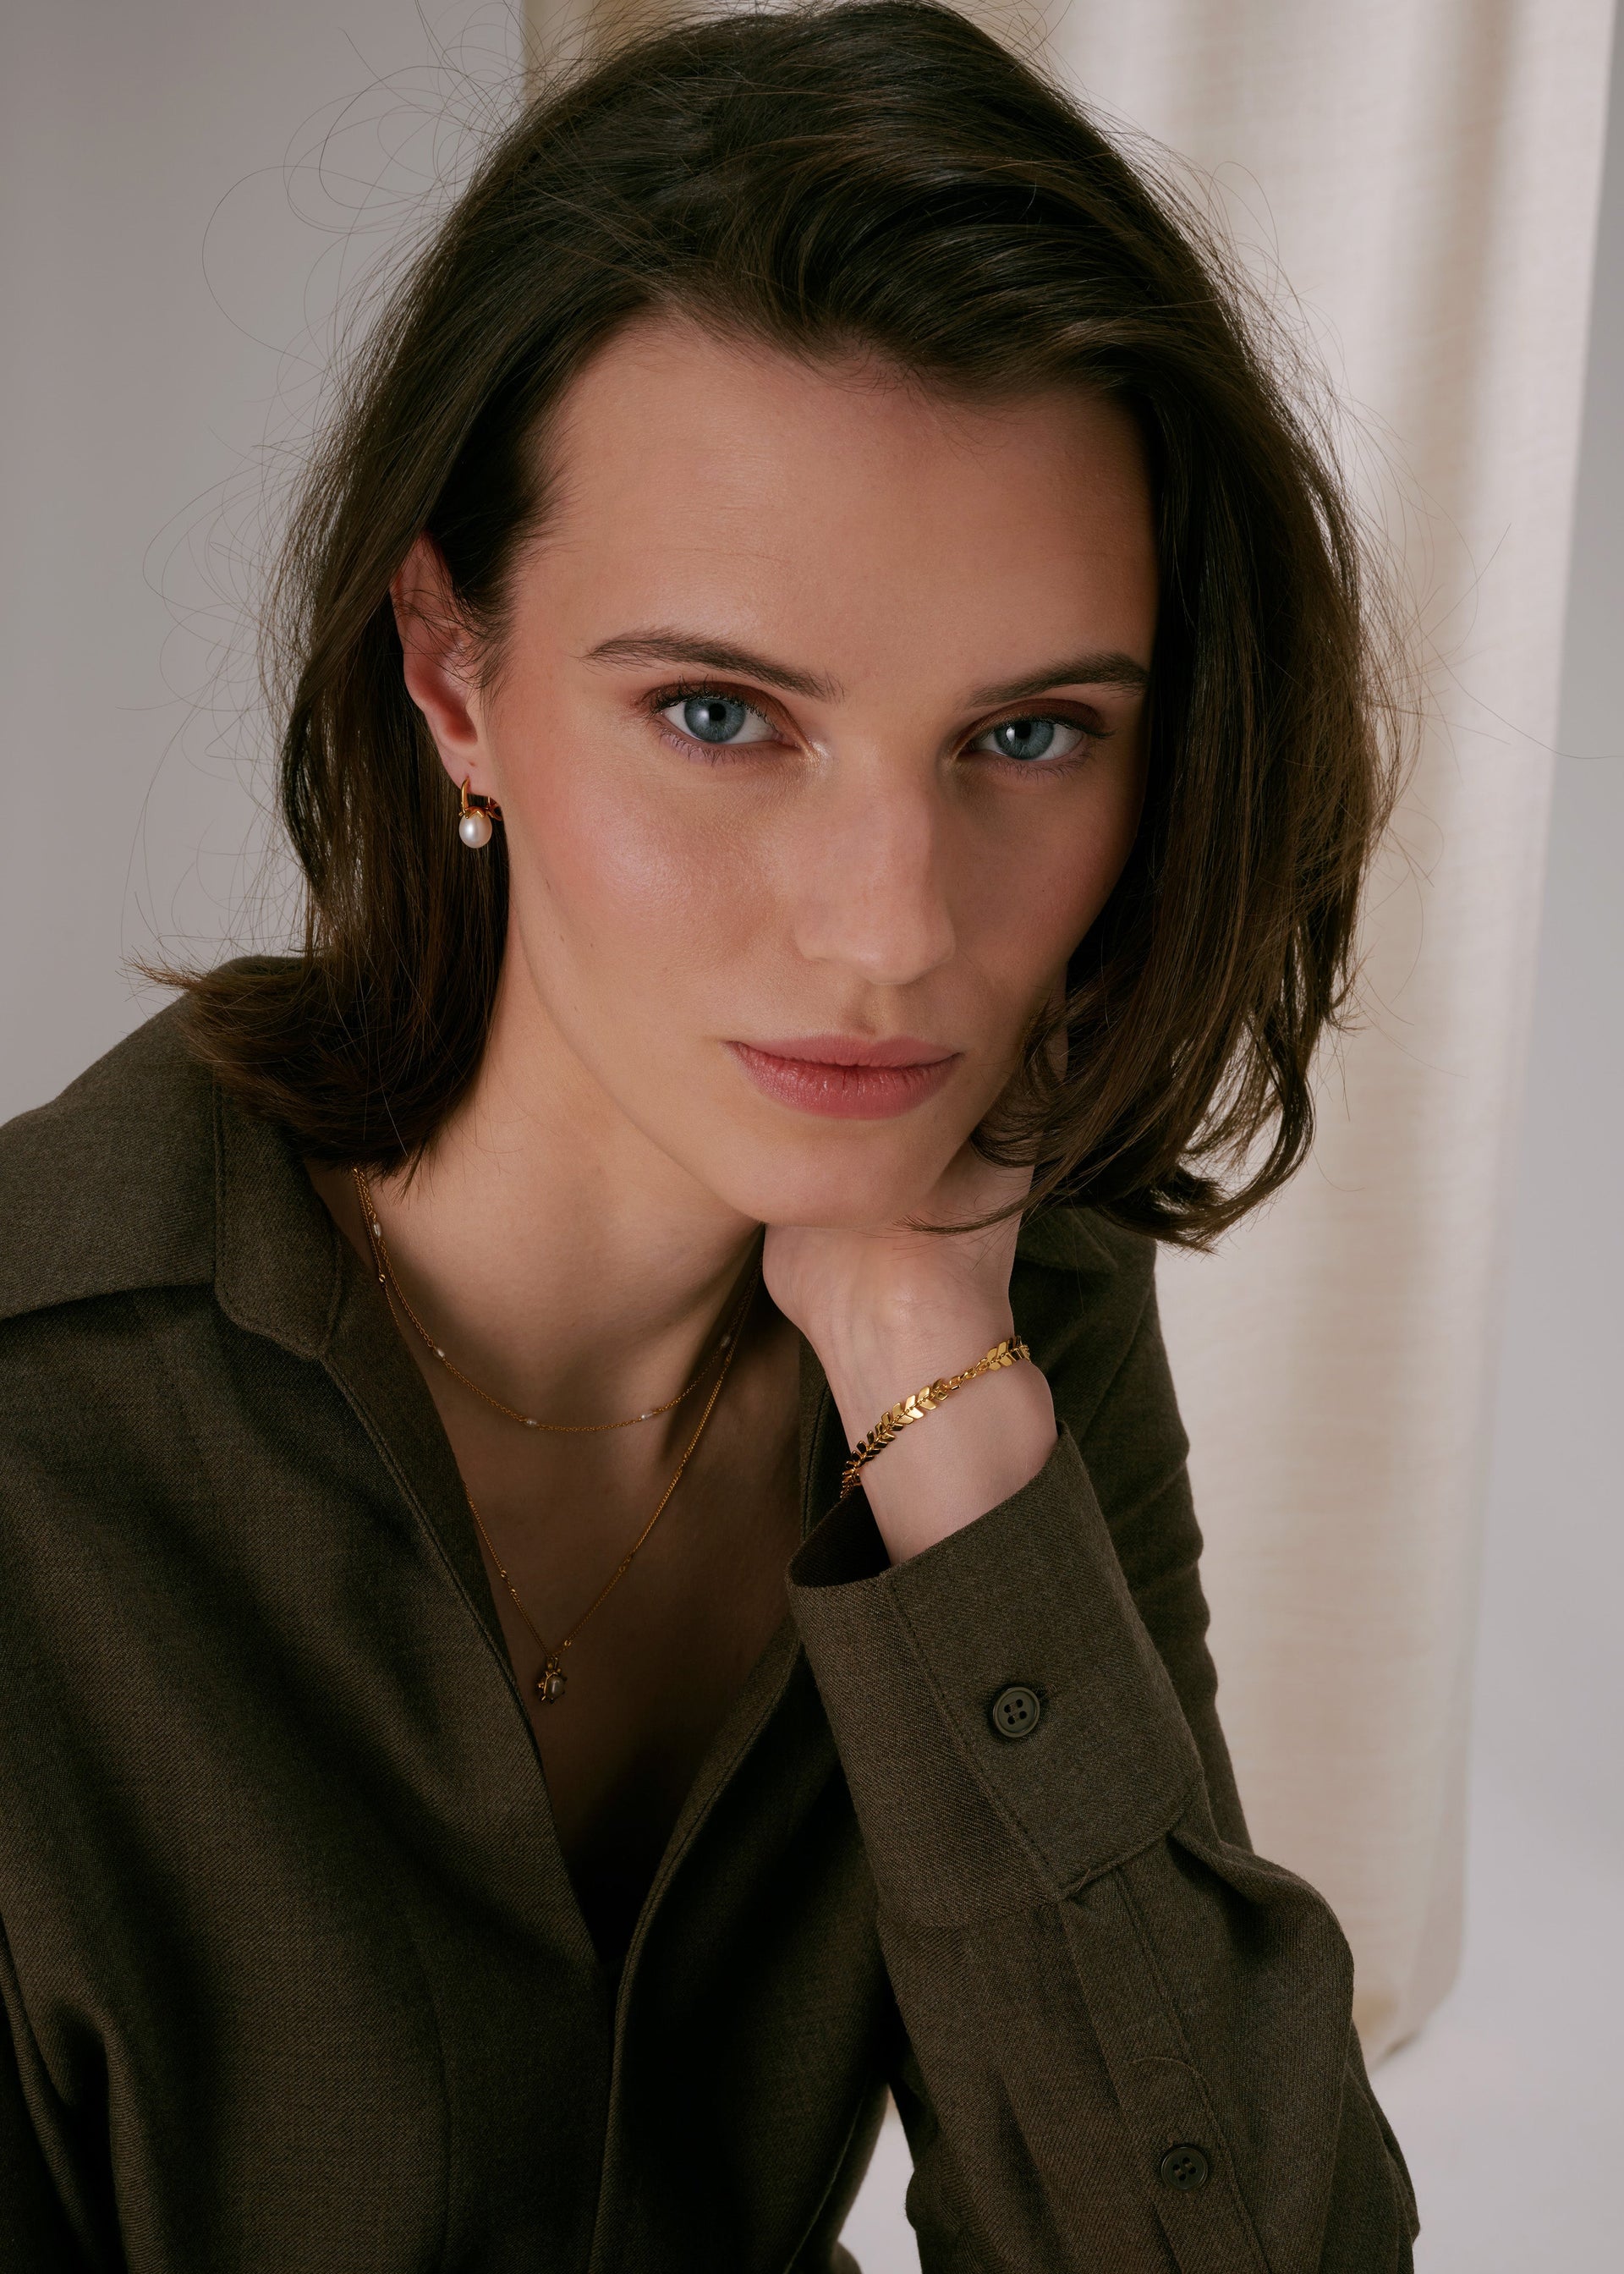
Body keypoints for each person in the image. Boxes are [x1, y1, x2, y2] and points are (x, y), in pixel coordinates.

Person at [0, 4, 1421, 2266]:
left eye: (1030, 735)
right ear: (453, 679)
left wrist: (936, 1405)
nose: (895, 932)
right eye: (719, 713)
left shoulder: (998, 1321)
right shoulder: (46, 1422)